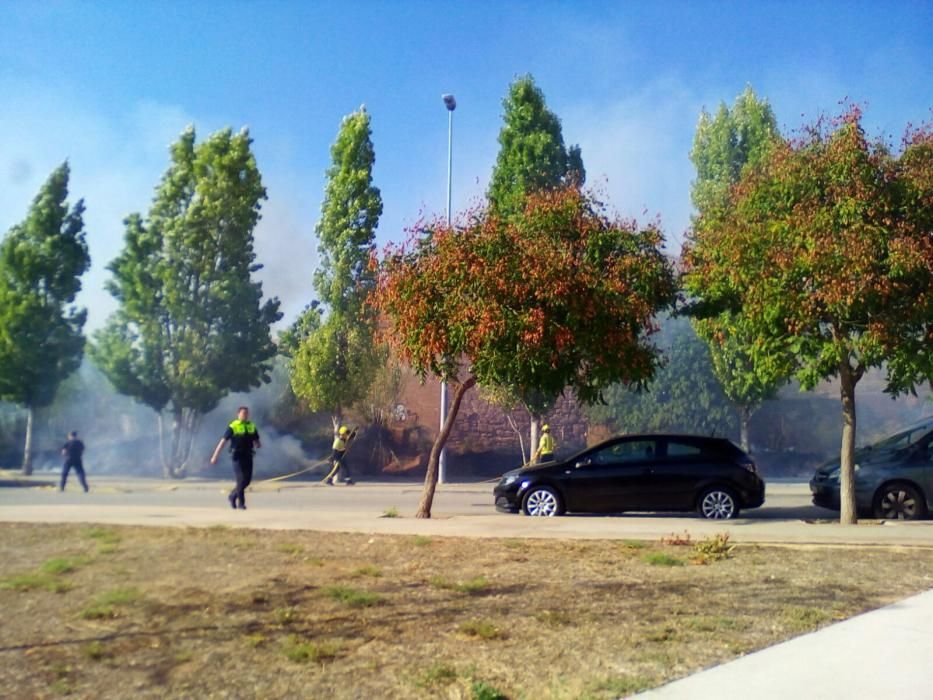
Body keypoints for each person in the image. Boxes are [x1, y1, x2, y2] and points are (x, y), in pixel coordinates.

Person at [210, 406, 261, 510]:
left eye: (247, 413)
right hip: (237, 456)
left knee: (247, 481)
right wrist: (215, 456)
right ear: (238, 414)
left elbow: (256, 440)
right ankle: (241, 504)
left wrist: (258, 444)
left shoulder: (251, 426)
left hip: (248, 455)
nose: (245, 415)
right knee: (240, 480)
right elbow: (223, 442)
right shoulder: (233, 426)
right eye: (243, 413)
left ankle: (232, 496)